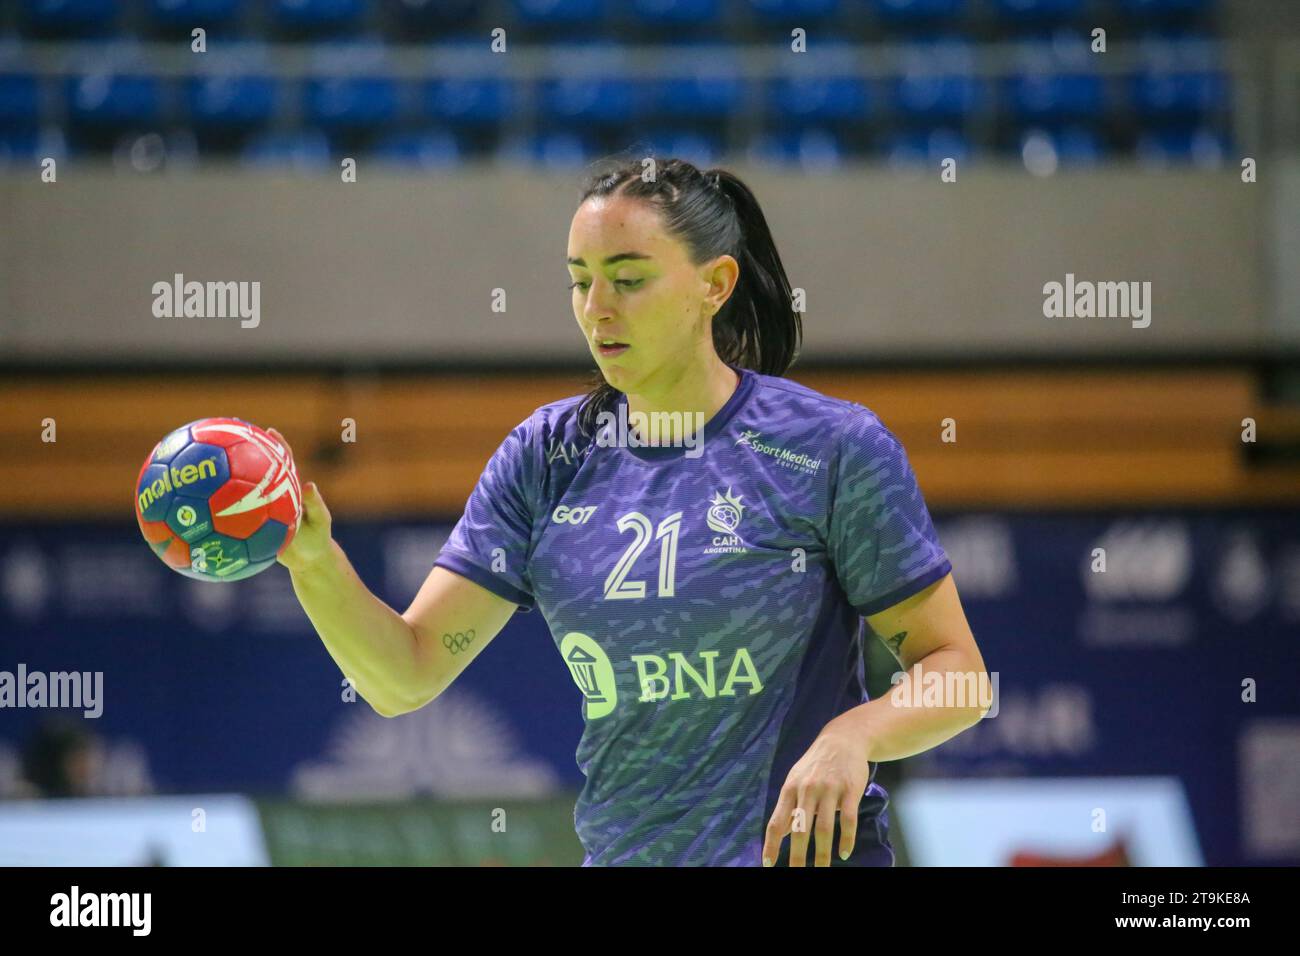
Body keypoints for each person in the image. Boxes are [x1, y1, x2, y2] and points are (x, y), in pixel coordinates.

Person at [273, 156, 988, 867]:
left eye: (628, 279)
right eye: (580, 282)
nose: (597, 309)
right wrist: (314, 565)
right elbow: (406, 675)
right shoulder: (544, 459)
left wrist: (853, 736)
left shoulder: (830, 448)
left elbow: (958, 675)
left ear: (715, 284)